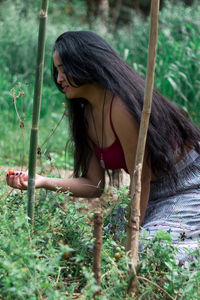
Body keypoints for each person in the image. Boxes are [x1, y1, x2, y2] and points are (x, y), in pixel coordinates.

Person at [6, 31, 200, 261]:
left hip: (189, 185)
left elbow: (141, 181)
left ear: (85, 63)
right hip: (151, 192)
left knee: (149, 249)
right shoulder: (85, 113)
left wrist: (132, 237)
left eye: (63, 69)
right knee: (98, 249)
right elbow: (94, 185)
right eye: (56, 70)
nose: (58, 79)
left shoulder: (122, 106)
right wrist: (43, 181)